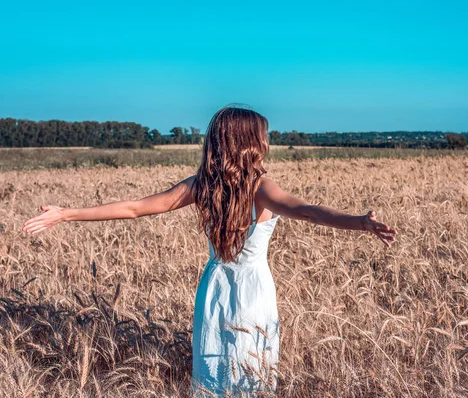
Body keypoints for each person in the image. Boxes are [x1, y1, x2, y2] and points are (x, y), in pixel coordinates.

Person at [22, 106, 397, 396]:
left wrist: (67, 214)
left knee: (214, 372)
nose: (268, 142)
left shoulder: (201, 185)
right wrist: (359, 222)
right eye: (264, 136)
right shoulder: (260, 187)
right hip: (253, 290)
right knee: (253, 375)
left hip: (214, 287)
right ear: (249, 142)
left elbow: (134, 208)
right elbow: (304, 210)